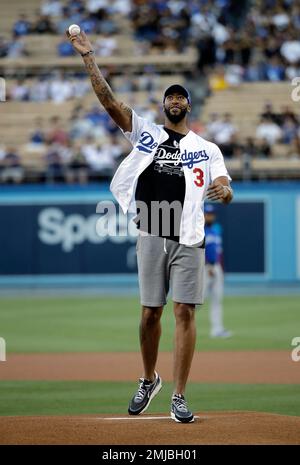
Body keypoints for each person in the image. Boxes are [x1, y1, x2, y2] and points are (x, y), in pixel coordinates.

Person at [67, 30, 233, 423]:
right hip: (153, 229)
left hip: (189, 236)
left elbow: (224, 185)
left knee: (185, 313)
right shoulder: (148, 134)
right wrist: (89, 56)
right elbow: (108, 100)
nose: (175, 100)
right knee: (148, 314)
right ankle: (148, 379)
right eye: (169, 96)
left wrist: (224, 194)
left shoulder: (207, 148)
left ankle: (179, 395)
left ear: (189, 105)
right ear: (163, 107)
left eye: (181, 96)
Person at [204, 204, 232, 338]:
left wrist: (220, 267)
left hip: (216, 268)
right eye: (207, 214)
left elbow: (218, 252)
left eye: (211, 214)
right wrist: (208, 266)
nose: (210, 216)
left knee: (217, 299)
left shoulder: (215, 231)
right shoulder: (199, 231)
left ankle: (217, 329)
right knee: (198, 300)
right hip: (204, 269)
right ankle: (182, 322)